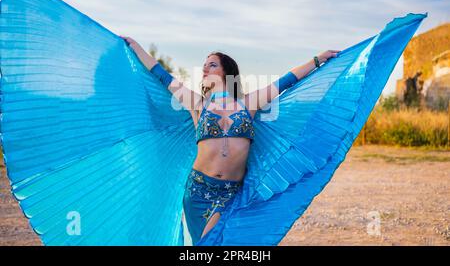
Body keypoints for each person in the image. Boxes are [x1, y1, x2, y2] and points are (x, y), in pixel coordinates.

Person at [120, 36, 339, 244]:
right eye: (205, 65)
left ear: (226, 72)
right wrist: (135, 46)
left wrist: (317, 60)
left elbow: (286, 81)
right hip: (198, 190)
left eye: (212, 65)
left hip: (230, 193)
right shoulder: (198, 104)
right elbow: (162, 74)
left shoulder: (249, 103)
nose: (205, 69)